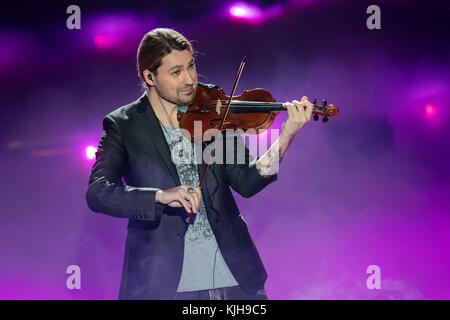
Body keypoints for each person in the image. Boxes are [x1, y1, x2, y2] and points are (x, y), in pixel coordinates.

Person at [85, 28, 313, 300]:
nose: (190, 79)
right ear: (149, 77)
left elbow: (247, 182)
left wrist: (286, 135)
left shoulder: (213, 106)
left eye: (191, 66)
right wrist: (159, 196)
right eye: (176, 72)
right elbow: (98, 192)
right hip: (165, 287)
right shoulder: (123, 125)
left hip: (235, 282)